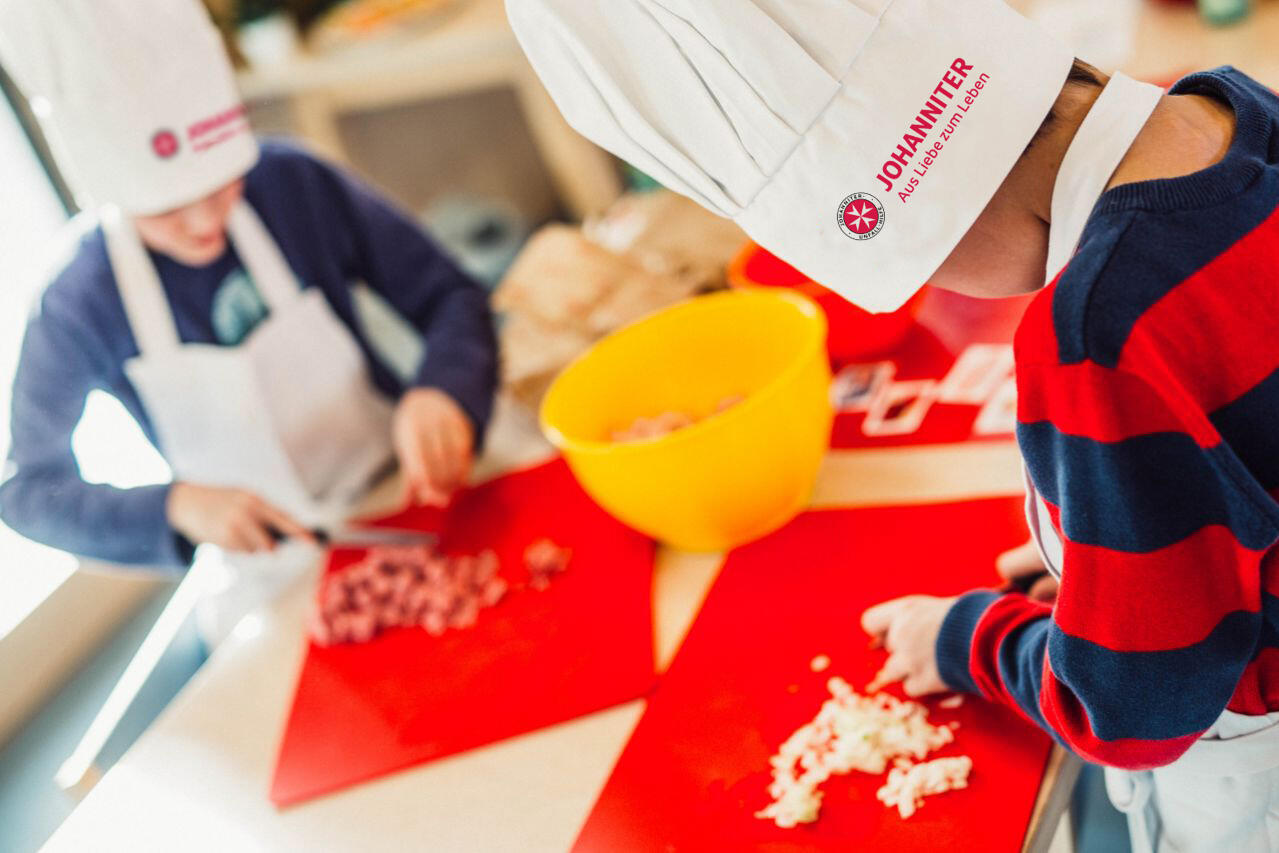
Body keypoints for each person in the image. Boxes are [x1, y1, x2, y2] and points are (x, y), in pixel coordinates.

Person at [505, 0, 1279, 849]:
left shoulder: (1092, 333)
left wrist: (969, 640)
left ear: (926, 211)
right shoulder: (1239, 110)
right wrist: (1111, 542)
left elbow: (1131, 706)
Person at [0, 0, 498, 642]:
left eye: (220, 185)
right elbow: (26, 489)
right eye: (169, 207)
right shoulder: (79, 301)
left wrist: (445, 389)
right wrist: (177, 507)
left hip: (408, 494)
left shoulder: (293, 185)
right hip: (268, 583)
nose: (206, 222)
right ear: (109, 192)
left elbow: (450, 295)